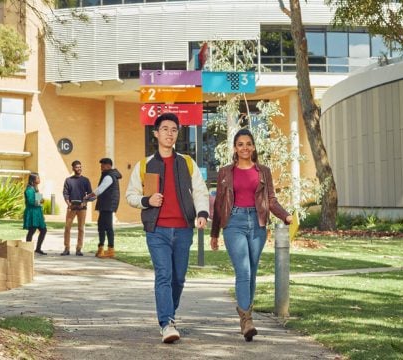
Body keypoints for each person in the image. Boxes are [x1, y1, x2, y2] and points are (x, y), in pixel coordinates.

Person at [126, 112, 209, 344]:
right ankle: (166, 323)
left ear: (177, 133)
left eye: (173, 129)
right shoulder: (145, 164)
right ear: (156, 133)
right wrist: (146, 201)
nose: (169, 133)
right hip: (157, 230)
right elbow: (130, 195)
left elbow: (200, 192)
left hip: (183, 229)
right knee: (164, 275)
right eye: (165, 129)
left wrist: (202, 213)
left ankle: (169, 316)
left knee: (179, 278)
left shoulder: (187, 163)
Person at [210, 128, 293, 342]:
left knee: (252, 271)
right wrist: (214, 233)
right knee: (244, 271)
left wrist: (286, 216)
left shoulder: (263, 171)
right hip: (234, 222)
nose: (244, 147)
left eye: (248, 143)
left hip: (258, 223)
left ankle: (247, 316)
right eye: (240, 144)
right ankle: (246, 320)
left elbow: (271, 200)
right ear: (235, 148)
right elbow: (220, 203)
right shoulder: (225, 172)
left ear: (254, 147)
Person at [85, 158, 122, 258]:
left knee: (107, 227)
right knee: (101, 226)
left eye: (103, 165)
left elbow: (100, 189)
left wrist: (89, 196)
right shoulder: (108, 175)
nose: (101, 167)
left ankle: (110, 250)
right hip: (105, 204)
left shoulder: (109, 176)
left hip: (108, 205)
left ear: (108, 165)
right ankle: (101, 248)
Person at [62, 160, 93, 256]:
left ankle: (79, 249)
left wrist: (84, 202)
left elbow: (90, 194)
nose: (79, 169)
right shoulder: (68, 180)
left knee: (81, 229)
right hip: (71, 208)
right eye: (77, 167)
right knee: (67, 228)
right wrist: (68, 204)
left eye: (80, 167)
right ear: (73, 168)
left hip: (82, 208)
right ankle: (66, 248)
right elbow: (65, 193)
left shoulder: (86, 180)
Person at [23, 172, 47, 256]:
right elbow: (31, 201)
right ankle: (28, 249)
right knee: (32, 230)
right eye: (37, 178)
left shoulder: (36, 188)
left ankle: (38, 249)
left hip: (38, 212)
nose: (39, 179)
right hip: (32, 212)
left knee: (43, 230)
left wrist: (42, 213)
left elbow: (39, 201)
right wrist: (40, 201)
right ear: (33, 179)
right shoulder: (29, 189)